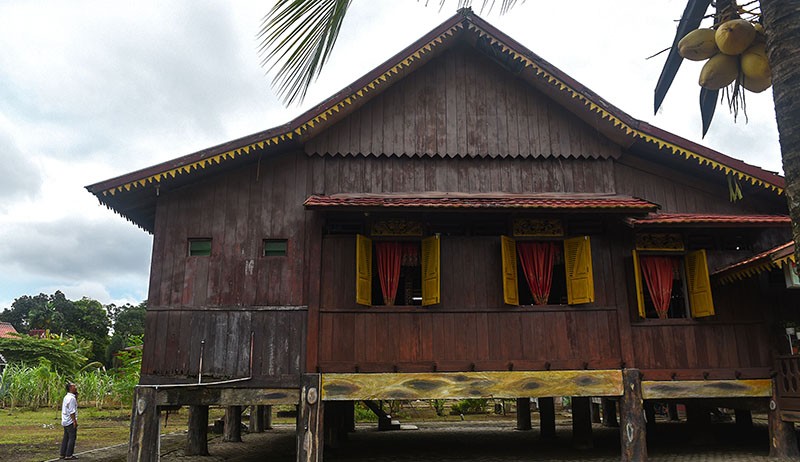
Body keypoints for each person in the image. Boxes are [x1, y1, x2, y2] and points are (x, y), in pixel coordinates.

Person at [60, 382, 78, 459]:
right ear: (70, 388)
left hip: (65, 420)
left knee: (66, 437)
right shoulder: (71, 398)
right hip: (70, 420)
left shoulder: (66, 397)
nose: (76, 387)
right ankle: (69, 454)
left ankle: (62, 453)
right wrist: (74, 421)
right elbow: (72, 411)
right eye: (74, 386)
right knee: (72, 437)